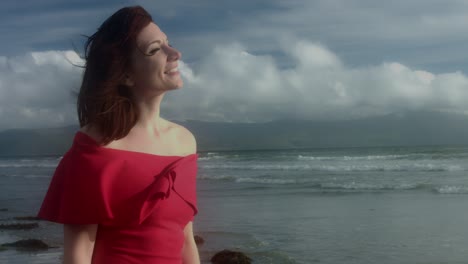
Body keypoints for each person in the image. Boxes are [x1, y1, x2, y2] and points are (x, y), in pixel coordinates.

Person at [37, 6, 200, 264]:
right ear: (125, 74)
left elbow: (186, 239)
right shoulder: (95, 147)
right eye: (156, 49)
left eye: (169, 43)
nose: (175, 53)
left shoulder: (185, 142)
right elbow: (78, 255)